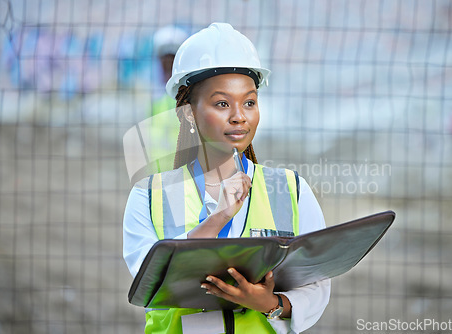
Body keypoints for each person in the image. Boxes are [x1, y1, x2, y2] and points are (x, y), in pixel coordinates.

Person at [123, 22, 331, 334]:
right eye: (222, 103)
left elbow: (317, 289)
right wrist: (216, 220)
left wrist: (269, 303)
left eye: (249, 101)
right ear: (188, 113)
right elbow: (149, 283)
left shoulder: (291, 190)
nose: (239, 115)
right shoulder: (149, 197)